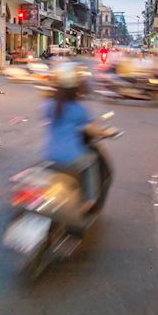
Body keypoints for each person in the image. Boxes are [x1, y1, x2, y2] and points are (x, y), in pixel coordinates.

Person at [42, 62, 98, 210]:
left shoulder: (50, 105)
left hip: (50, 156)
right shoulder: (79, 109)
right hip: (72, 158)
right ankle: (89, 201)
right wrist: (108, 132)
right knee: (92, 162)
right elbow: (93, 131)